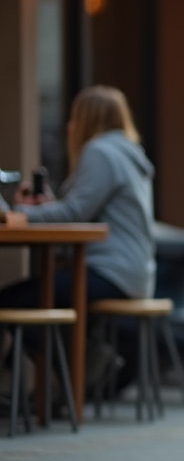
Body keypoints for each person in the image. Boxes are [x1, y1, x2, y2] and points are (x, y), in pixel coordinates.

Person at [1, 85, 156, 308]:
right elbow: (84, 211)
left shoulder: (100, 152)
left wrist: (15, 215)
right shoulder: (127, 153)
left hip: (109, 272)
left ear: (87, 120)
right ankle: (48, 343)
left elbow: (75, 212)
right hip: (133, 274)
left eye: (74, 117)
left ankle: (44, 344)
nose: (69, 126)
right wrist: (49, 207)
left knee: (9, 301)